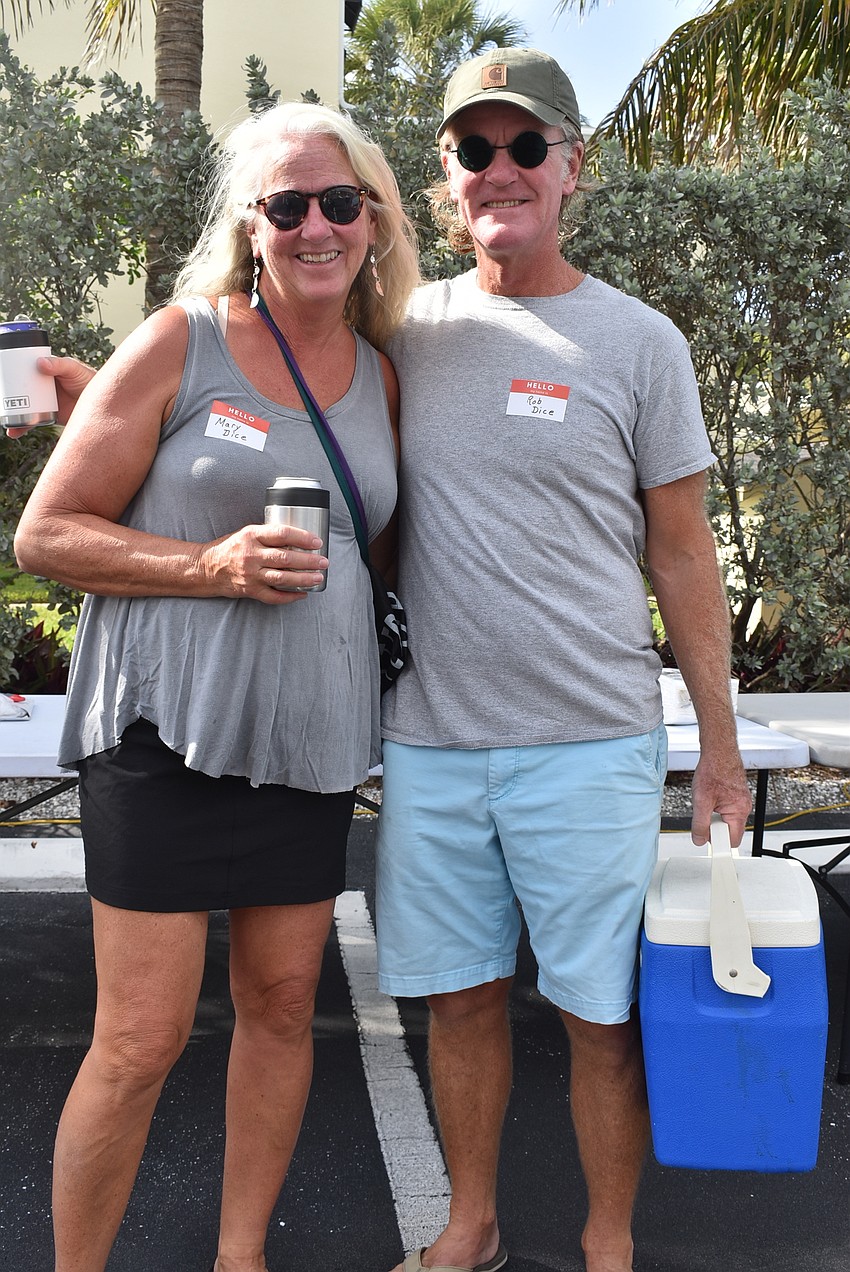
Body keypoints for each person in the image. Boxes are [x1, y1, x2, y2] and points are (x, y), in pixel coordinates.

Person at [14, 100, 419, 1272]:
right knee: (139, 1041)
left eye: (339, 203)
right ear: (252, 225)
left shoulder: (384, 379)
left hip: (307, 750)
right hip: (162, 738)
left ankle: (240, 1257)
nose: (314, 226)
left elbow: (384, 558)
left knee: (285, 1010)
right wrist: (213, 564)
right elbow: (47, 534)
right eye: (286, 205)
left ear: (377, 221)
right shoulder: (180, 338)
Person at [373, 48, 752, 1272]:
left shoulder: (640, 342)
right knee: (460, 1002)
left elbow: (683, 557)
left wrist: (720, 751)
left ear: (571, 168)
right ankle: (470, 1228)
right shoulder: (401, 331)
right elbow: (259, 382)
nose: (501, 170)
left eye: (525, 147)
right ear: (444, 179)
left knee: (599, 1017)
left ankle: (606, 1244)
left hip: (590, 744)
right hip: (431, 744)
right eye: (474, 150)